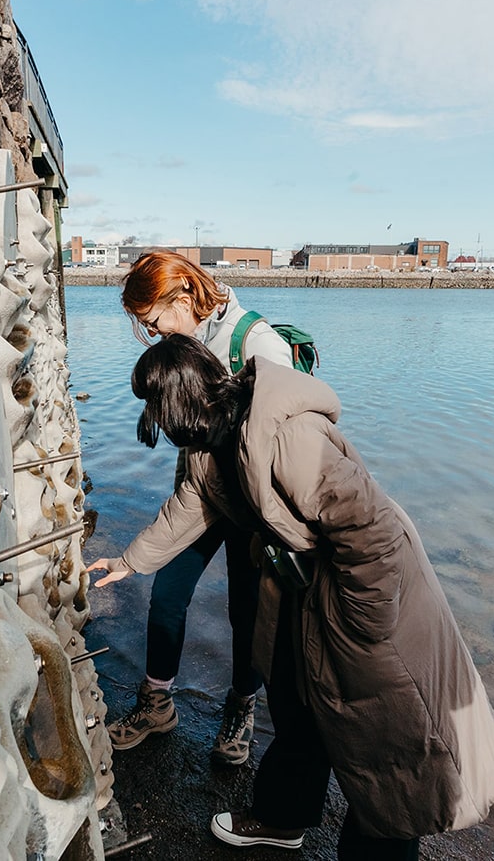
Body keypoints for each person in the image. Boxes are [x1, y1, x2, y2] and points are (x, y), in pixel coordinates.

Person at [87, 335, 494, 857]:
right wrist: (128, 562)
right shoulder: (211, 445)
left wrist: (364, 626)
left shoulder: (289, 436)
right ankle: (283, 817)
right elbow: (190, 507)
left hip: (364, 591)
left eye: (153, 403)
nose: (152, 416)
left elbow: (371, 534)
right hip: (302, 589)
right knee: (295, 703)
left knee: (385, 742)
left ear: (176, 400)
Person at [109, 251, 293, 766]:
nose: (155, 334)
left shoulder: (256, 345)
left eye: (156, 320)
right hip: (199, 494)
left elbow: (287, 443)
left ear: (186, 294)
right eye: (147, 326)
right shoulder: (183, 341)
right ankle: (156, 702)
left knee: (246, 611)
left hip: (252, 508)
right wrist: (130, 560)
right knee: (167, 593)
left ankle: (240, 707)